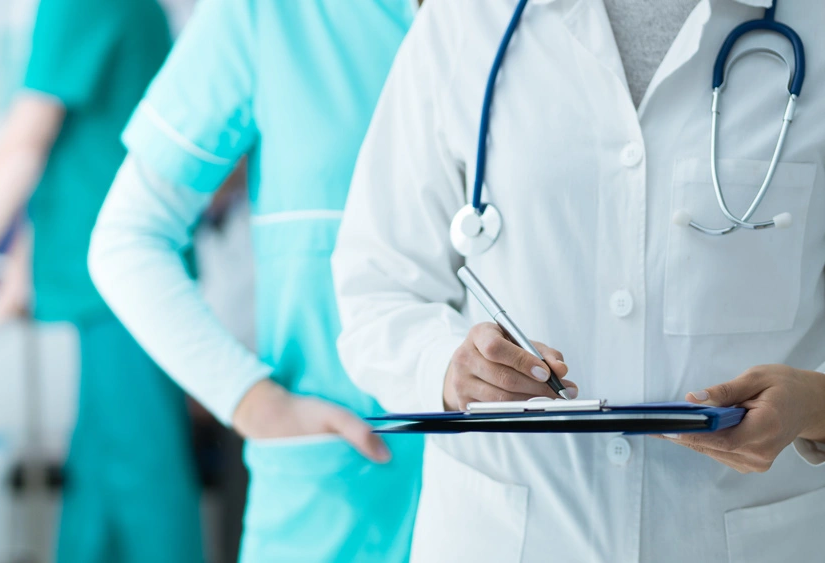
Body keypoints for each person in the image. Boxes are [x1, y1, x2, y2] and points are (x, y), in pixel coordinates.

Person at [332, 0, 825, 561]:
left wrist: (817, 403)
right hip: (505, 537)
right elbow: (378, 283)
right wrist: (449, 370)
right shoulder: (465, 19)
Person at [87, 0, 423, 560]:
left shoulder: (542, 18)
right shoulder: (268, 13)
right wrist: (253, 403)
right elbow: (127, 239)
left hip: (527, 489)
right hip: (338, 490)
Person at [0, 0, 204, 560]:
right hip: (121, 283)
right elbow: (85, 146)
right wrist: (19, 262)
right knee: (99, 487)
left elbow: (25, 143)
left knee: (143, 486)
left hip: (127, 285)